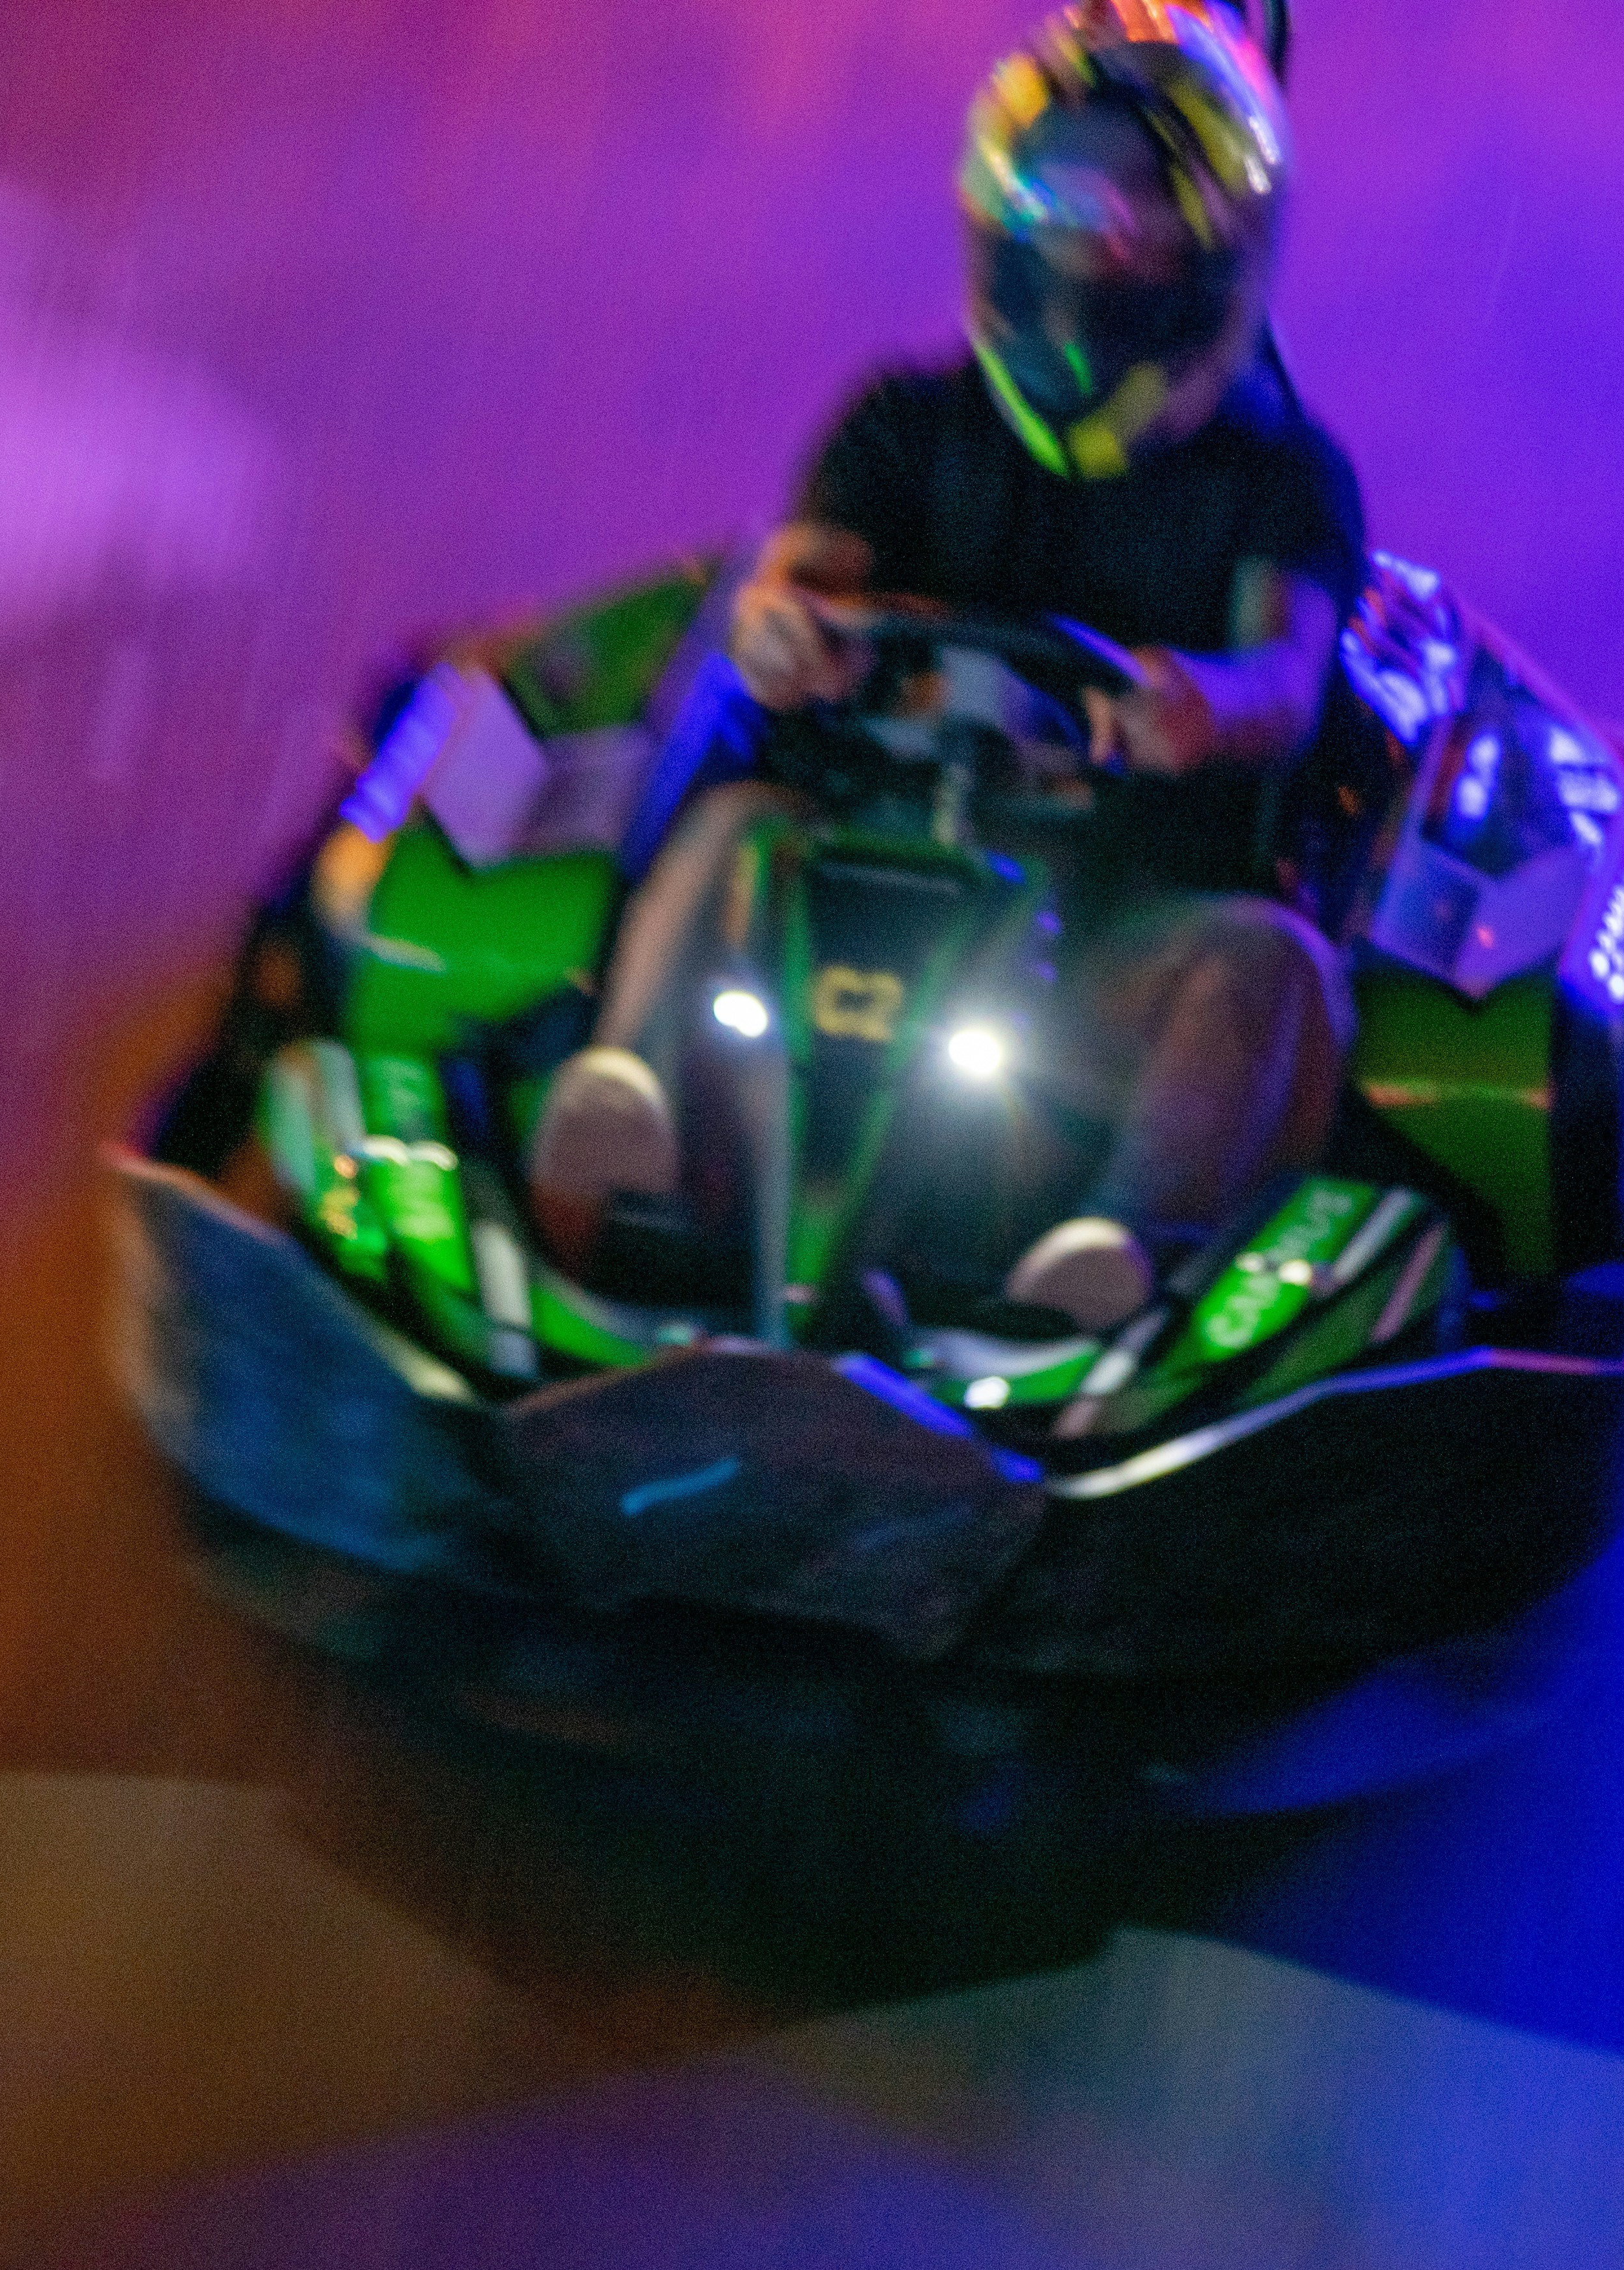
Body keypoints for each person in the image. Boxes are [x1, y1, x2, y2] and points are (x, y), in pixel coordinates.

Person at [524, 0, 1367, 1332]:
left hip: (1103, 941)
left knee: (1269, 971)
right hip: (853, 894)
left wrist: (1204, 707)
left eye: (1131, 218)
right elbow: (810, 569)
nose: (1086, 247)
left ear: (1208, 252)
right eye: (1060, 206)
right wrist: (790, 628)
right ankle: (626, 1107)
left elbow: (1288, 672)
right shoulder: (905, 422)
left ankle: (1117, 1263)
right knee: (733, 825)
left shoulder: (1278, 482)